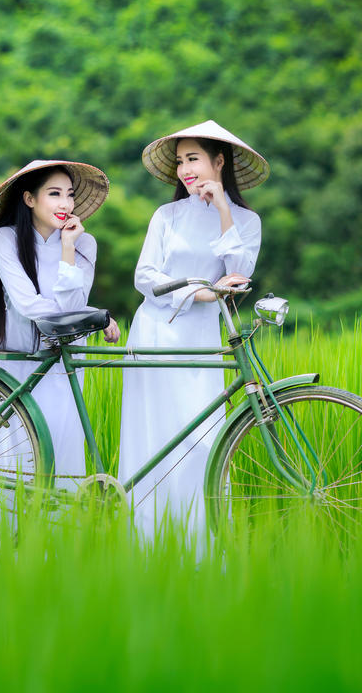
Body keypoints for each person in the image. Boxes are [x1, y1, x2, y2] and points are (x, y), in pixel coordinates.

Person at [118, 120, 268, 542]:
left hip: (203, 339)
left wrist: (222, 209)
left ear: (219, 161)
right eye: (181, 161)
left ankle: (200, 548)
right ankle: (146, 546)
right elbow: (144, 276)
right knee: (155, 437)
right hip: (155, 333)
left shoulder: (246, 221)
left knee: (204, 439)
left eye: (193, 159)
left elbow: (238, 273)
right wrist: (197, 293)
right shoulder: (166, 215)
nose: (185, 169)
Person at [0, 159, 120, 525]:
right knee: (11, 466)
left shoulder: (83, 242)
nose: (65, 204)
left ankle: (53, 563)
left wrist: (68, 248)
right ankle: (5, 556)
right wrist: (94, 315)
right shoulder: (7, 239)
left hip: (60, 365)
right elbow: (29, 305)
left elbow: (69, 307)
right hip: (17, 364)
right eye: (54, 194)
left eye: (70, 195)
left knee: (62, 459)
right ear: (29, 199)